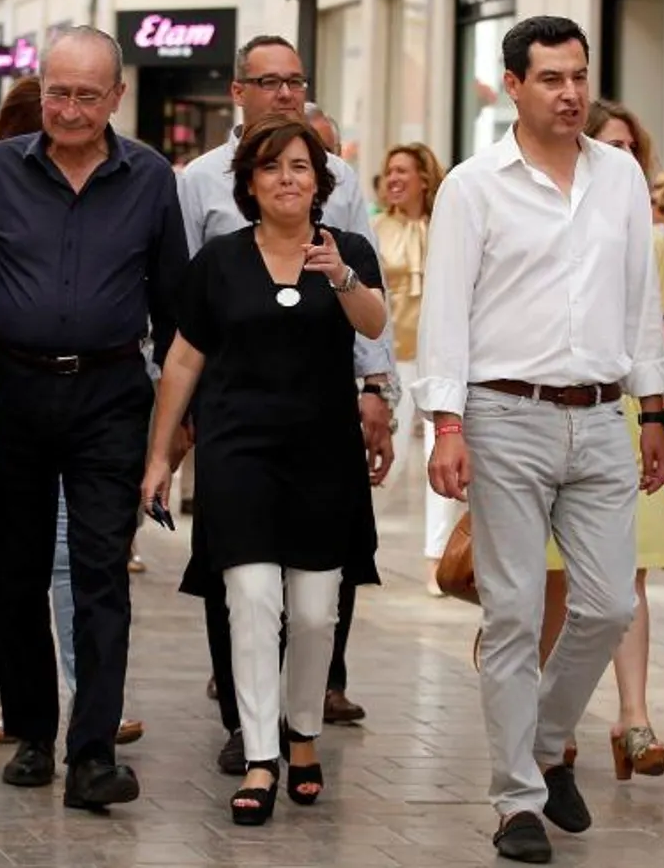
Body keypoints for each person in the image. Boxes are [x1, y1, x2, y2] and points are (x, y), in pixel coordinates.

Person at [417, 16, 664, 864]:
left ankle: (548, 737)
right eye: (552, 79)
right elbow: (448, 311)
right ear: (513, 85)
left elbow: (641, 302)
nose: (570, 94)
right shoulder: (473, 185)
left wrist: (658, 411)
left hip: (604, 414)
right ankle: (517, 801)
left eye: (579, 77)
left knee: (607, 604)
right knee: (516, 612)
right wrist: (447, 424)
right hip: (504, 415)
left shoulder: (623, 177)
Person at [0, 26, 186, 811]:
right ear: (39, 87)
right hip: (10, 393)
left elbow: (174, 309)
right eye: (57, 91)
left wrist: (173, 430)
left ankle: (91, 751)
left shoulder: (152, 178)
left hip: (110, 394)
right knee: (14, 572)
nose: (68, 108)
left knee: (100, 571)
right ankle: (31, 728)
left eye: (87, 94)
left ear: (117, 97)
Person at [144, 113, 386, 825]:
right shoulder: (218, 260)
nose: (288, 178)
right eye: (272, 167)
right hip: (237, 452)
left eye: (301, 167)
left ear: (320, 182)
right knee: (251, 602)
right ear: (250, 181)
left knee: (314, 614)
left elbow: (374, 325)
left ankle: (303, 732)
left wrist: (340, 274)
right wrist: (160, 454)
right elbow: (183, 359)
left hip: (323, 455)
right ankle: (259, 755)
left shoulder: (348, 251)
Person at [555, 97, 664, 782]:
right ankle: (557, 718)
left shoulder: (650, 237)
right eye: (612, 145)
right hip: (558, 409)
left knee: (628, 579)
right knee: (553, 583)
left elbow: (656, 326)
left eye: (634, 146)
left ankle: (633, 715)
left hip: (634, 413)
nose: (624, 158)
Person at [375, 142, 454, 597]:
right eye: (389, 171)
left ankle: (438, 560)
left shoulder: (445, 228)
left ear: (424, 177)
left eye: (403, 170)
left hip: (440, 359)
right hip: (396, 360)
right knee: (391, 457)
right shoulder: (376, 229)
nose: (395, 179)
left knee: (441, 461)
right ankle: (355, 539)